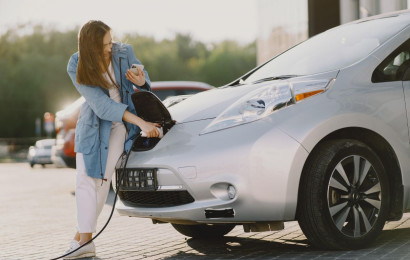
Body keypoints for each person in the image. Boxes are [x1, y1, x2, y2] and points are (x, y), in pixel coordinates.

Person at [63, 20, 160, 259]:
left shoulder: (123, 52)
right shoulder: (76, 63)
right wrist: (142, 123)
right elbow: (101, 105)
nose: (111, 47)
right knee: (85, 180)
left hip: (121, 127)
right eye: (106, 44)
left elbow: (143, 77)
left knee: (101, 182)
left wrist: (141, 80)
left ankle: (82, 241)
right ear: (92, 46)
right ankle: (84, 241)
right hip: (94, 124)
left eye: (111, 41)